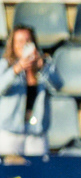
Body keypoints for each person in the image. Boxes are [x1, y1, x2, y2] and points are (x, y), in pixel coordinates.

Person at [0, 25, 62, 157]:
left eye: (27, 41)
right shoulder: (5, 65)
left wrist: (42, 67)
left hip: (36, 133)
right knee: (10, 174)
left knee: (37, 174)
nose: (24, 45)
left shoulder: (45, 65)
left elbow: (58, 86)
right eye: (20, 41)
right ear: (13, 44)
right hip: (10, 132)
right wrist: (16, 69)